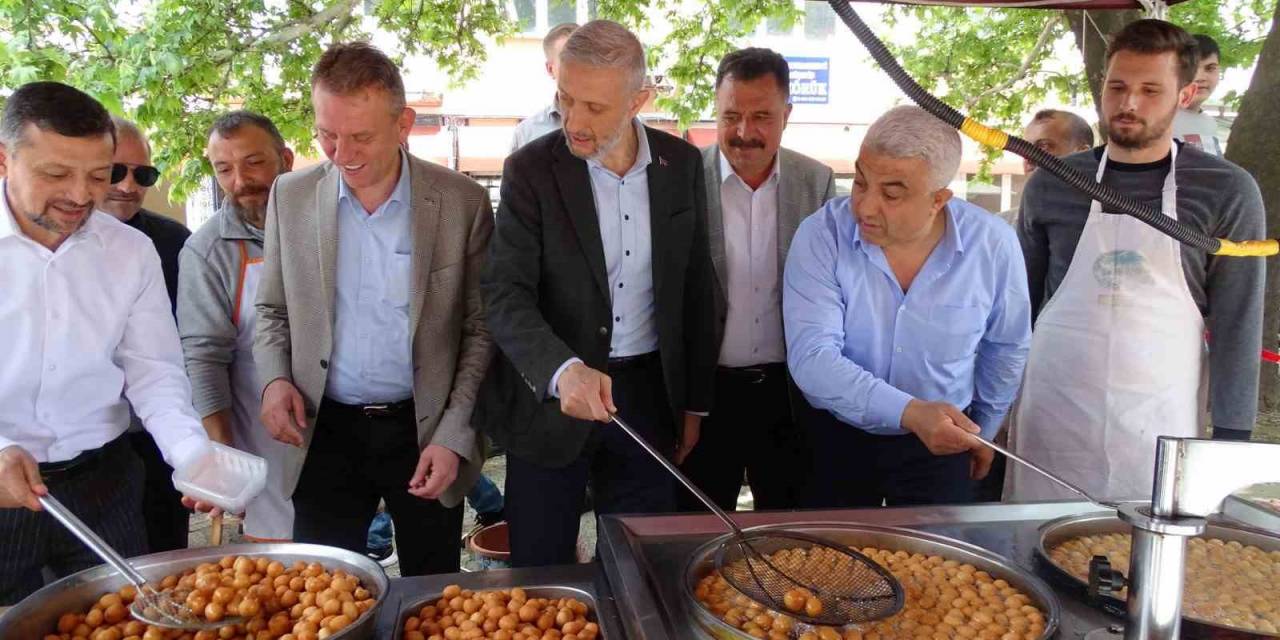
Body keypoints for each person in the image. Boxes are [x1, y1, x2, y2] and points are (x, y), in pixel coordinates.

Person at [476, 20, 717, 567]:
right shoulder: (530, 169)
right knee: (539, 566)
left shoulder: (680, 166)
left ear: (640, 99)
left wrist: (694, 403)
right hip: (552, 400)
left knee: (642, 565)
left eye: (595, 107)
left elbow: (696, 287)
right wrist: (562, 370)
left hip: (649, 399)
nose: (574, 122)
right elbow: (504, 293)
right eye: (564, 99)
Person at [254, 42, 494, 576]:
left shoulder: (461, 203)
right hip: (323, 428)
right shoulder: (288, 197)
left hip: (421, 427)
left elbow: (481, 332)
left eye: (361, 136)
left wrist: (455, 434)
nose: (342, 154)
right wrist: (273, 382)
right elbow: (271, 310)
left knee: (432, 591)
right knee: (320, 593)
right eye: (327, 135)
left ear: (404, 123)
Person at [1008, 20, 1264, 503]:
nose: (1128, 104)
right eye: (1117, 86)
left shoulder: (1227, 189)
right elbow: (1017, 307)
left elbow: (1238, 320)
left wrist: (1233, 438)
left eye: (1150, 90)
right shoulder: (1053, 183)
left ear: (1185, 95)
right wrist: (994, 407)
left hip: (1159, 419)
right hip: (1055, 414)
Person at [0, 81, 214, 604]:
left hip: (105, 483)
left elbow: (154, 371)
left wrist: (191, 455)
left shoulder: (131, 252)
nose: (80, 196)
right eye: (55, 174)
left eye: (98, 175)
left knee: (123, 619)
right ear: (4, 160)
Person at [784, 105, 1031, 509]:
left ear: (939, 200)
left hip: (943, 447)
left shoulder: (992, 244)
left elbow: (1005, 347)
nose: (864, 207)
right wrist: (911, 412)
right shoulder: (822, 235)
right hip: (837, 438)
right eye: (860, 183)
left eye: (891, 194)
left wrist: (981, 430)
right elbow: (813, 358)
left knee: (939, 569)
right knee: (835, 563)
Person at [678, 48, 836, 512]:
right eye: (732, 115)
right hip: (703, 396)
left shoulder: (816, 182)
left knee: (788, 534)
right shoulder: (683, 178)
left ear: (787, 114)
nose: (745, 132)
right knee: (697, 528)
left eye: (762, 116)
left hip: (787, 394)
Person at [177, 110, 296, 542]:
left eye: (253, 162)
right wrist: (223, 456)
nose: (240, 180)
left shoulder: (323, 225)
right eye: (224, 169)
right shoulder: (206, 252)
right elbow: (203, 358)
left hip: (345, 437)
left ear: (285, 157)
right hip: (264, 443)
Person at [97, 115, 197, 554]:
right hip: (36, 466)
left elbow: (168, 357)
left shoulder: (169, 241)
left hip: (156, 438)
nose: (128, 185)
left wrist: (194, 449)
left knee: (161, 560)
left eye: (143, 174)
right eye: (115, 171)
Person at [997, 110, 1094, 226]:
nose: (1028, 158)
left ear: (1082, 154)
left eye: (1043, 146)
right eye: (1024, 148)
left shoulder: (1108, 223)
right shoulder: (997, 228)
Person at [509, 22, 578, 151]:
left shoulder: (614, 125)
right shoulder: (527, 134)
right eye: (568, 60)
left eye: (584, 58)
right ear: (550, 69)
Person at [1172, 34, 1223, 155]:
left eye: (1210, 68)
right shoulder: (1159, 122)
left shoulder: (1209, 123)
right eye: (1191, 68)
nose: (1200, 78)